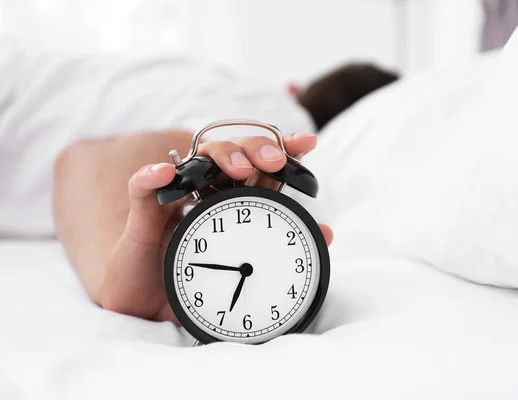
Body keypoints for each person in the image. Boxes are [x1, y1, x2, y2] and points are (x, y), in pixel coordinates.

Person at [0, 35, 397, 323]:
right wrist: (116, 277)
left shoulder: (217, 79)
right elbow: (88, 161)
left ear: (297, 86)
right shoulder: (271, 118)